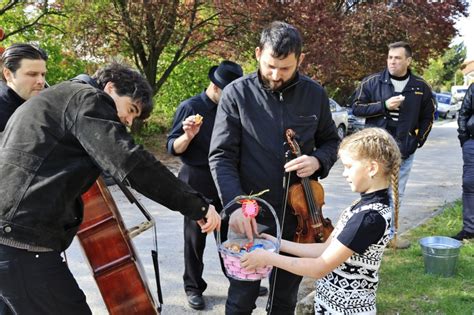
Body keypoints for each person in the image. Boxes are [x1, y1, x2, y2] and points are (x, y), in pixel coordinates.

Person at [0, 62, 221, 315]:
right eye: (130, 109)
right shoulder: (88, 99)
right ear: (110, 87)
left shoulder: (57, 99)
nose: (127, 120)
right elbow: (131, 162)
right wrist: (197, 205)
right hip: (22, 243)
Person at [209, 21, 340, 314]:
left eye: (285, 68)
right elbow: (221, 156)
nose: (276, 75)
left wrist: (318, 160)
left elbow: (331, 141)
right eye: (270, 66)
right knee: (241, 298)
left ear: (300, 60)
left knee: (284, 300)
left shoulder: (315, 94)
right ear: (257, 53)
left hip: (299, 220)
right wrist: (236, 207)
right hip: (251, 217)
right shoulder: (236, 94)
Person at [241, 127, 401, 314]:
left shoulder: (369, 219)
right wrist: (277, 243)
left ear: (372, 168)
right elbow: (325, 249)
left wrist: (268, 257)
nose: (344, 173)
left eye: (349, 166)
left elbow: (319, 267)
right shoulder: (362, 207)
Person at [166, 60, 254, 310]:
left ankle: (238, 279)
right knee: (195, 238)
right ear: (216, 86)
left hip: (226, 178)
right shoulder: (190, 107)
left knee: (230, 235)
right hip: (196, 178)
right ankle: (193, 287)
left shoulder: (234, 108)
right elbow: (172, 147)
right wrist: (188, 136)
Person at [352, 41, 435, 248]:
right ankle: (366, 234)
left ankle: (390, 236)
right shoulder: (373, 82)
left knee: (396, 193)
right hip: (375, 151)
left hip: (404, 151)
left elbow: (429, 117)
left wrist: (417, 141)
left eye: (397, 58)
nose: (392, 62)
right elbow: (356, 108)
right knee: (370, 191)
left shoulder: (420, 87)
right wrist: (384, 106)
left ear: (408, 60)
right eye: (390, 57)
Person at [0, 43, 48, 131]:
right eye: (32, 74)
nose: (41, 81)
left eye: (43, 74)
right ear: (8, 74)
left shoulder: (46, 105)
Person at [454, 82, 474, 240]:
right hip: (472, 142)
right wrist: (464, 139)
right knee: (469, 183)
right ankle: (470, 229)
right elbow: (463, 113)